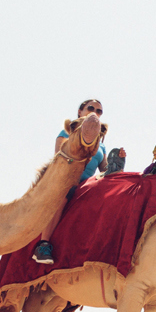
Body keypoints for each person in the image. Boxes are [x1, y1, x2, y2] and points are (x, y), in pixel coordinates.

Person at [31, 99, 106, 265]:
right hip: (66, 179)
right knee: (64, 193)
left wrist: (118, 161)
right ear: (80, 112)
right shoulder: (67, 133)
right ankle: (43, 244)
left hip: (88, 184)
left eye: (99, 111)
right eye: (91, 108)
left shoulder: (101, 146)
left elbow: (105, 170)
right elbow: (59, 160)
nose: (95, 112)